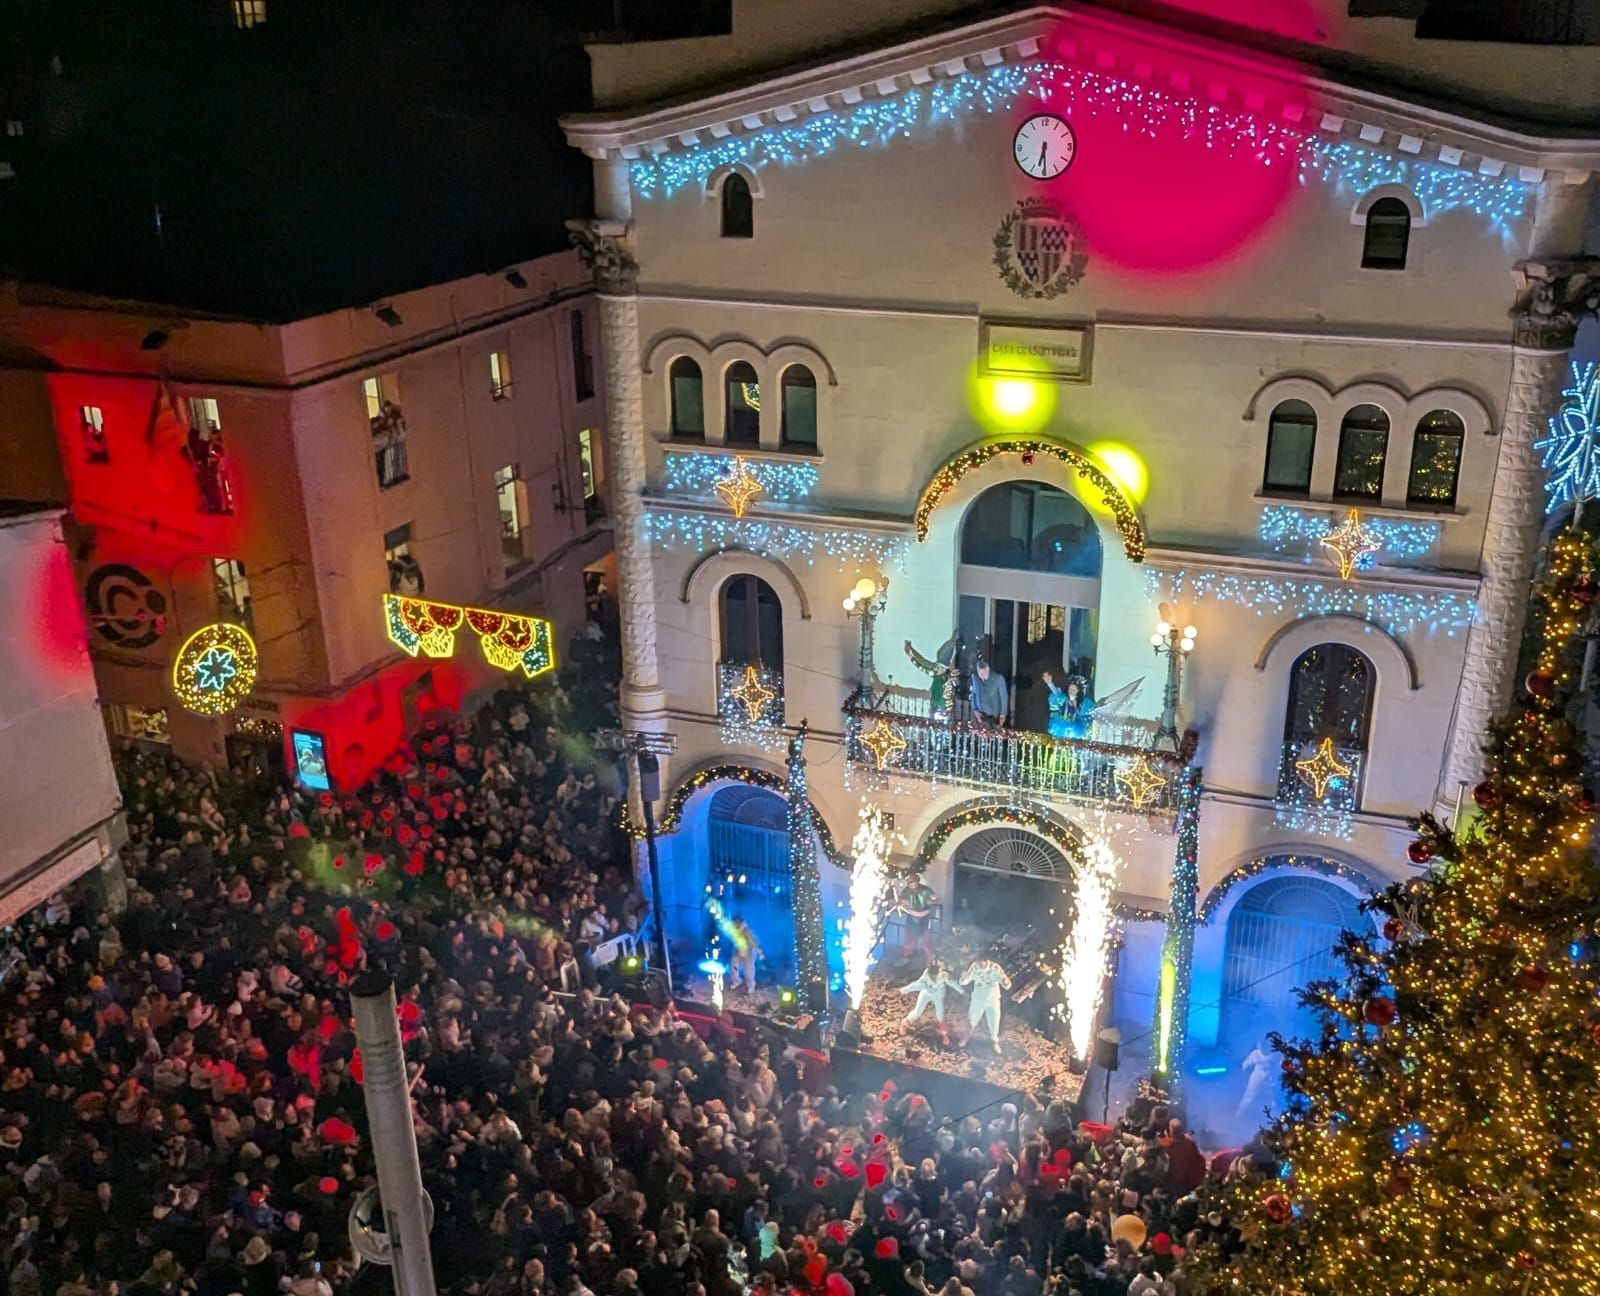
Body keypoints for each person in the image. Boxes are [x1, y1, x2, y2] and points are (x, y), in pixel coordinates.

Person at [959, 957, 1012, 1051]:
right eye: (978, 962)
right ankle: (965, 1038)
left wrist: (1006, 982)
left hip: (993, 999)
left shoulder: (995, 968)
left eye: (981, 962)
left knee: (994, 1022)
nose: (980, 964)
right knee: (972, 1019)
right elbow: (965, 981)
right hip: (978, 999)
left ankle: (994, 1041)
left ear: (986, 961)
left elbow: (1006, 983)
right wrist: (963, 977)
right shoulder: (974, 967)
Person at [900, 960, 958, 1038]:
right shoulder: (926, 975)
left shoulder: (944, 976)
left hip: (938, 995)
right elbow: (917, 984)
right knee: (918, 1011)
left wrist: (962, 991)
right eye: (931, 976)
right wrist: (904, 990)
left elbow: (953, 983)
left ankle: (945, 1035)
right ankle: (905, 1022)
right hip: (926, 993)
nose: (933, 977)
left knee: (940, 1014)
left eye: (934, 976)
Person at [1043, 672, 1095, 740]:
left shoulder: (1081, 704)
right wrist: (1050, 684)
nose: (1071, 691)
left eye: (1073, 689)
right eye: (1070, 689)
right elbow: (1056, 693)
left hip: (1075, 729)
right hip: (1062, 726)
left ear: (1078, 691)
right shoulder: (1064, 699)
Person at [1238, 1039, 1275, 1118]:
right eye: (1260, 1044)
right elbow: (1245, 1065)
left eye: (1264, 1044)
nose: (1262, 1046)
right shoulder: (1255, 1054)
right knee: (1249, 1097)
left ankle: (1275, 1118)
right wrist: (1244, 1072)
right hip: (1256, 1079)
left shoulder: (1274, 1055)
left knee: (1272, 1100)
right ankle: (1239, 1116)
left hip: (1269, 1080)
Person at [969, 659, 1009, 728]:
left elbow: (1004, 697)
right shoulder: (975, 678)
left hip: (993, 716)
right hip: (980, 714)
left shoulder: (998, 678)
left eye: (983, 673)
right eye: (979, 672)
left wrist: (1003, 714)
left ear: (987, 669)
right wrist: (975, 709)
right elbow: (973, 694)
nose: (981, 675)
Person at [729, 914, 763, 993]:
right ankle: (737, 981)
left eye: (736, 923)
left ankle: (751, 985)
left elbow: (753, 942)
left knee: (749, 971)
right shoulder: (733, 929)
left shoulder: (746, 931)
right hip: (738, 950)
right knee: (734, 966)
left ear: (740, 923)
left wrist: (759, 952)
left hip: (749, 951)